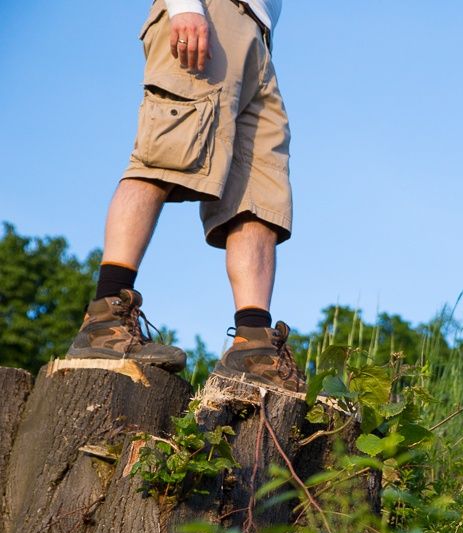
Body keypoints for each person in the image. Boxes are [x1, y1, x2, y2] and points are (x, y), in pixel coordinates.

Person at [66, 0, 303, 392]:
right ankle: (105, 318)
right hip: (210, 12)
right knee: (162, 157)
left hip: (258, 37)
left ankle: (253, 346)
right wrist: (185, 6)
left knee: (258, 197)